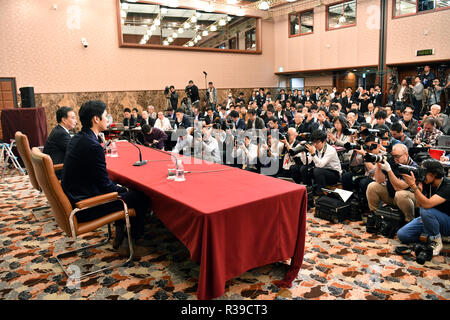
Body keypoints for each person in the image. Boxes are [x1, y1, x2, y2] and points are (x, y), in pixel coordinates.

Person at [61, 100, 151, 259]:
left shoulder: (78, 138)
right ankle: (133, 244)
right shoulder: (92, 145)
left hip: (76, 197)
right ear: (96, 119)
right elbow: (106, 187)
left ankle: (120, 235)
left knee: (125, 193)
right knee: (140, 196)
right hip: (86, 206)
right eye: (105, 116)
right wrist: (125, 190)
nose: (108, 120)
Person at [397, 159, 449, 257]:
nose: (422, 174)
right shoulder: (426, 183)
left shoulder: (447, 185)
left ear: (435, 174)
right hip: (430, 218)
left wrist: (413, 186)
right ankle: (429, 238)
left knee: (426, 210)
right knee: (402, 235)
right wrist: (418, 190)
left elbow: (427, 205)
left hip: (447, 221)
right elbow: (419, 205)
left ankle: (436, 242)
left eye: (424, 172)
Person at [366, 143, 417, 222]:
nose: (395, 159)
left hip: (409, 198)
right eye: (393, 156)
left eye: (397, 156)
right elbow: (379, 180)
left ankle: (409, 221)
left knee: (400, 194)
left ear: (406, 154)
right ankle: (376, 216)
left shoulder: (413, 167)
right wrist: (379, 164)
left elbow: (399, 187)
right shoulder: (392, 161)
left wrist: (389, 170)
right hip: (392, 195)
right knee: (372, 186)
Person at [299, 129, 342, 195]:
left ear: (324, 141)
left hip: (334, 174)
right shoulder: (314, 147)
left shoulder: (330, 150)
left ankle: (320, 193)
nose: (315, 145)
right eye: (313, 142)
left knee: (317, 170)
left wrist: (313, 154)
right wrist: (302, 153)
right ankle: (308, 191)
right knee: (304, 168)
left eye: (317, 142)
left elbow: (320, 165)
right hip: (320, 171)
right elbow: (306, 163)